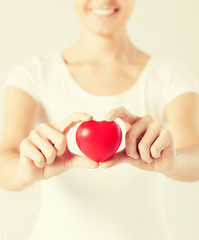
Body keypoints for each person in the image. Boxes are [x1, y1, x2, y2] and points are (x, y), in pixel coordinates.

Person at [0, 0, 199, 239]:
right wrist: (24, 170)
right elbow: (5, 160)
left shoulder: (170, 76)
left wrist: (174, 162)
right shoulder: (34, 74)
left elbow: (194, 154)